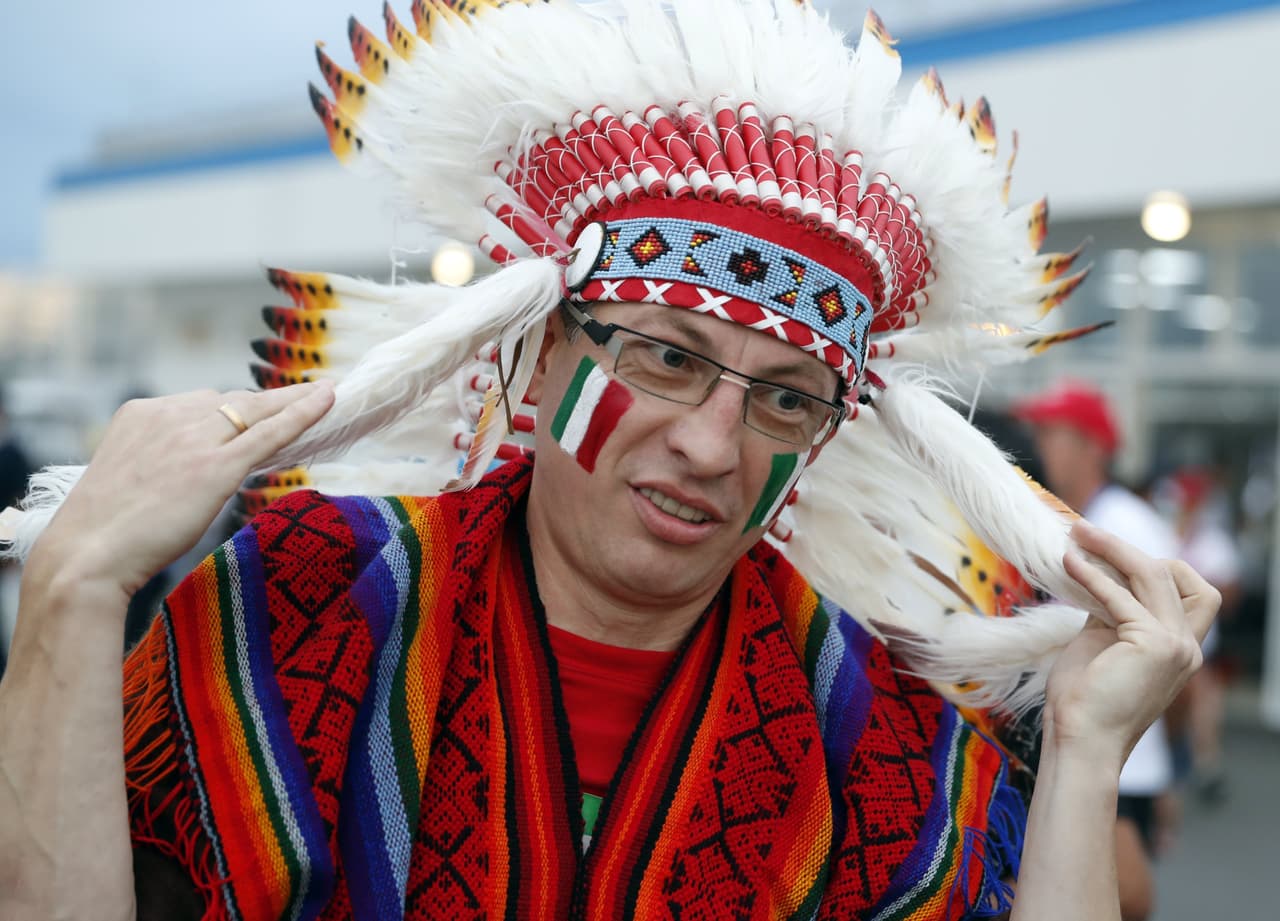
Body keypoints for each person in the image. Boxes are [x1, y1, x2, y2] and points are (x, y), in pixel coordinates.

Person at [0, 3, 1218, 920]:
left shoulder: (881, 731)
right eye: (664, 356)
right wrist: (71, 591)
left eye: (784, 399)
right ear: (535, 357)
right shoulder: (306, 594)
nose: (708, 443)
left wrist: (1078, 758)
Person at [1011, 380, 1182, 921]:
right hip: (1079, 743)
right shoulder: (1066, 520)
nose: (1032, 442)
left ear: (1093, 446)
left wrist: (1168, 770)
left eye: (1047, 431)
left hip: (1116, 756)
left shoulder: (1125, 527)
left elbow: (1178, 658)